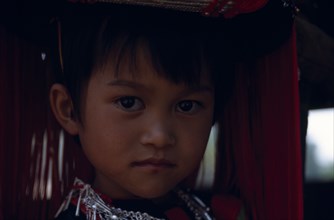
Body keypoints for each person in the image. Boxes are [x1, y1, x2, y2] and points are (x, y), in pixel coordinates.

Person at [49, 2, 234, 220]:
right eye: (128, 102)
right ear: (68, 109)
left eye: (186, 106)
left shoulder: (220, 211)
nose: (160, 137)